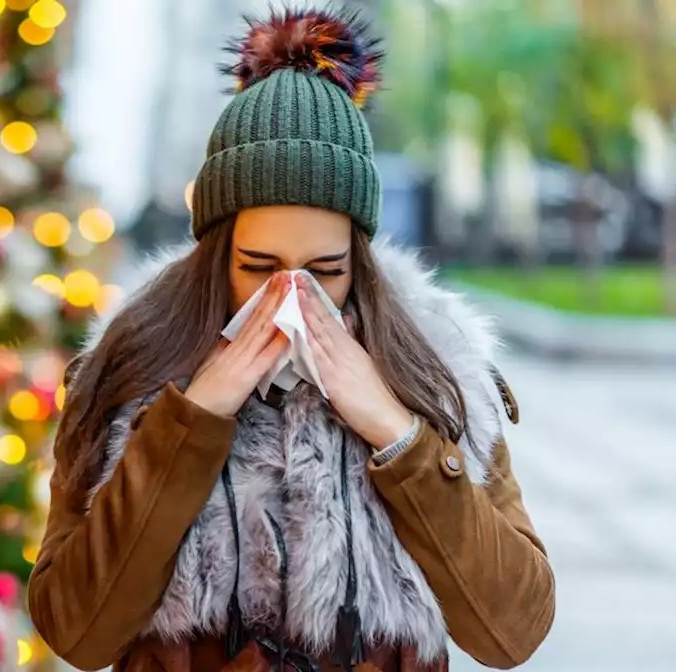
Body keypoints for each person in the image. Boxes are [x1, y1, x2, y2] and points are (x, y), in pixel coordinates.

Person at [27, 8, 554, 672]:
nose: (292, 299)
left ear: (358, 260)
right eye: (259, 268)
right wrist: (190, 423)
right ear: (217, 251)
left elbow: (514, 632)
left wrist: (397, 434)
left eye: (325, 272)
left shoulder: (438, 369)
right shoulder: (131, 364)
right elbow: (78, 634)